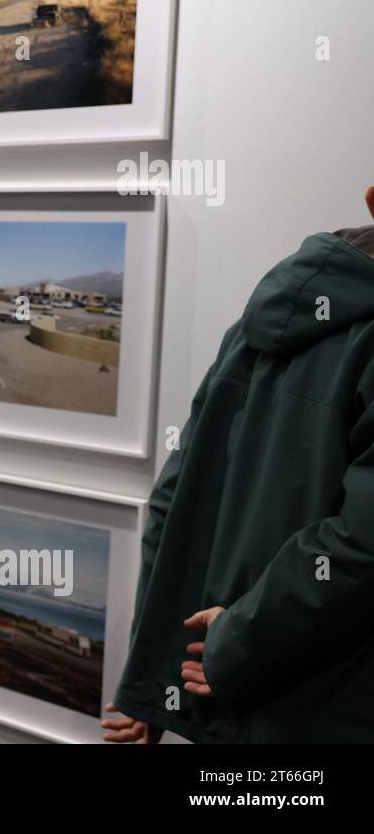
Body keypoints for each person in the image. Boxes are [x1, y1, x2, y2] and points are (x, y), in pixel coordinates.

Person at [103, 185, 374, 744]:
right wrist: (233, 644)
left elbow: (174, 504)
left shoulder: (262, 320)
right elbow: (361, 547)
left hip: (235, 697)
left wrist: (155, 684)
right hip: (322, 707)